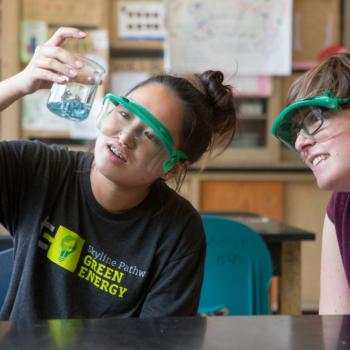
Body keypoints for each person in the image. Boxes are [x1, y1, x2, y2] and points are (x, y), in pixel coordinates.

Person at [0, 27, 237, 320]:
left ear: (173, 167)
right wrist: (18, 85)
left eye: (151, 135)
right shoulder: (40, 169)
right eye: (124, 114)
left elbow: (158, 340)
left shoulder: (178, 230)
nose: (124, 137)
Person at [271, 52, 350, 315]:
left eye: (315, 118)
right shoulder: (340, 205)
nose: (299, 143)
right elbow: (336, 328)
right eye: (296, 132)